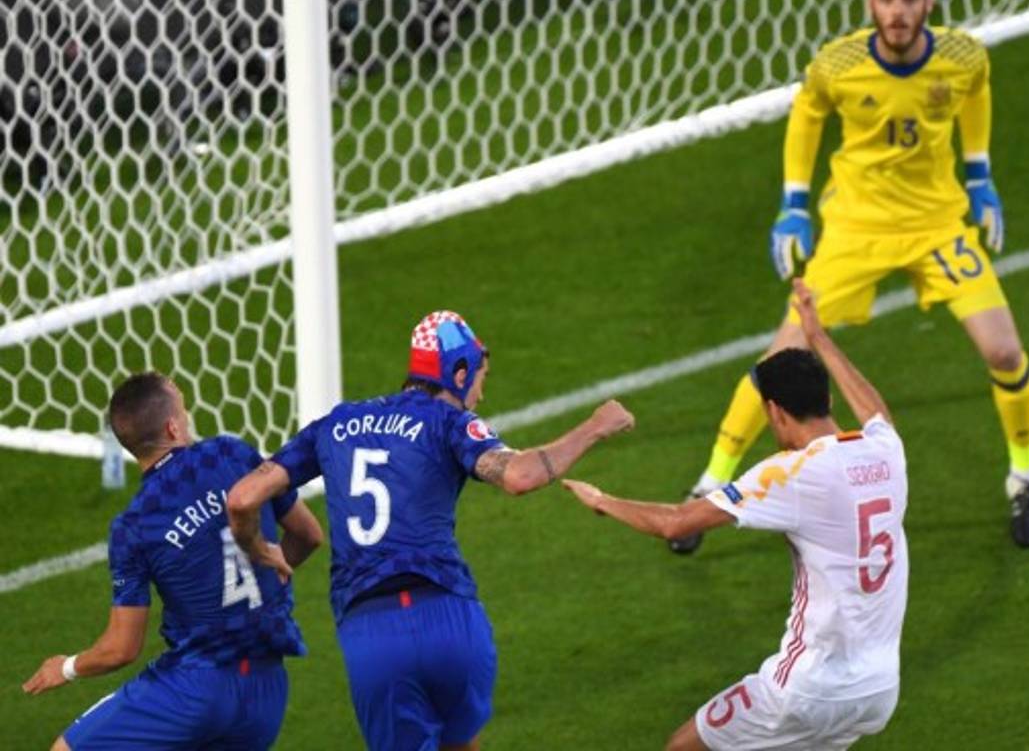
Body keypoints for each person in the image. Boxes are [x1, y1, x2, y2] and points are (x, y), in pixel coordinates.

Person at [675, 0, 1029, 554]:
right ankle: (711, 483)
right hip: (855, 228)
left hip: (936, 224)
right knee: (781, 356)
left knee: (1004, 350)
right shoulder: (838, 64)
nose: (898, 12)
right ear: (871, 3)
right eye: (887, 0)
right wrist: (794, 203)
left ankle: (1024, 479)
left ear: (927, 3)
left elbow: (977, 91)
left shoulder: (963, 56)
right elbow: (807, 113)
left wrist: (979, 174)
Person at [226, 310, 635, 751]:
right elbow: (520, 475)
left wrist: (260, 550)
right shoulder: (449, 423)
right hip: (450, 621)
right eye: (480, 378)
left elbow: (243, 499)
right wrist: (596, 426)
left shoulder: (334, 424)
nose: (480, 393)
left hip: (371, 635)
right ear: (459, 373)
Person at [566, 280, 908, 750]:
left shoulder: (791, 473)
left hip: (808, 688)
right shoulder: (885, 451)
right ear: (827, 400)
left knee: (681, 748)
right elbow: (875, 411)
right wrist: (819, 336)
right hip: (878, 691)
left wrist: (602, 500)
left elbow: (676, 522)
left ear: (774, 411)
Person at [22, 372, 323, 750]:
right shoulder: (233, 454)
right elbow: (310, 534)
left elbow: (122, 648)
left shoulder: (135, 524)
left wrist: (66, 667)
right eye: (183, 408)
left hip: (194, 689)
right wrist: (274, 567)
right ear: (172, 426)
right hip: (266, 691)